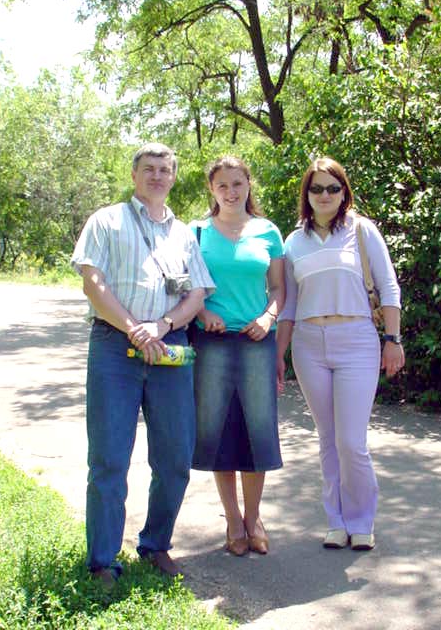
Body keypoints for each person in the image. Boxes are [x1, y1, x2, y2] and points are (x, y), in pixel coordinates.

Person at [71, 142, 215, 586]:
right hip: (115, 346)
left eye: (164, 169)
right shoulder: (106, 221)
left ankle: (155, 545)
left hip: (170, 348)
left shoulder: (183, 234)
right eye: (148, 168)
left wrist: (163, 324)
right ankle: (103, 562)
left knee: (174, 458)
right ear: (134, 175)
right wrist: (135, 328)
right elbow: (93, 283)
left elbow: (197, 293)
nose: (157, 176)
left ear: (173, 177)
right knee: (109, 458)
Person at [276, 157, 405, 551]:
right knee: (328, 439)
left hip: (357, 341)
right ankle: (336, 521)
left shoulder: (361, 231)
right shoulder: (293, 242)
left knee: (351, 441)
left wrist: (393, 339)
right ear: (307, 194)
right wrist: (278, 355)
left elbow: (389, 286)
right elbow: (288, 305)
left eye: (333, 187)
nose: (325, 195)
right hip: (309, 345)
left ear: (344, 191)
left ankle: (362, 520)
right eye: (317, 188)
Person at [190, 156, 285, 556]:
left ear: (249, 185)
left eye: (237, 183)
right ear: (211, 190)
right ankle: (232, 519)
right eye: (222, 185)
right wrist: (202, 313)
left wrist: (268, 318)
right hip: (210, 342)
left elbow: (278, 289)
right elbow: (185, 287)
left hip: (256, 340)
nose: (230, 192)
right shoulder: (195, 233)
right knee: (218, 430)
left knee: (257, 429)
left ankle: (254, 517)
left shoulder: (268, 232)